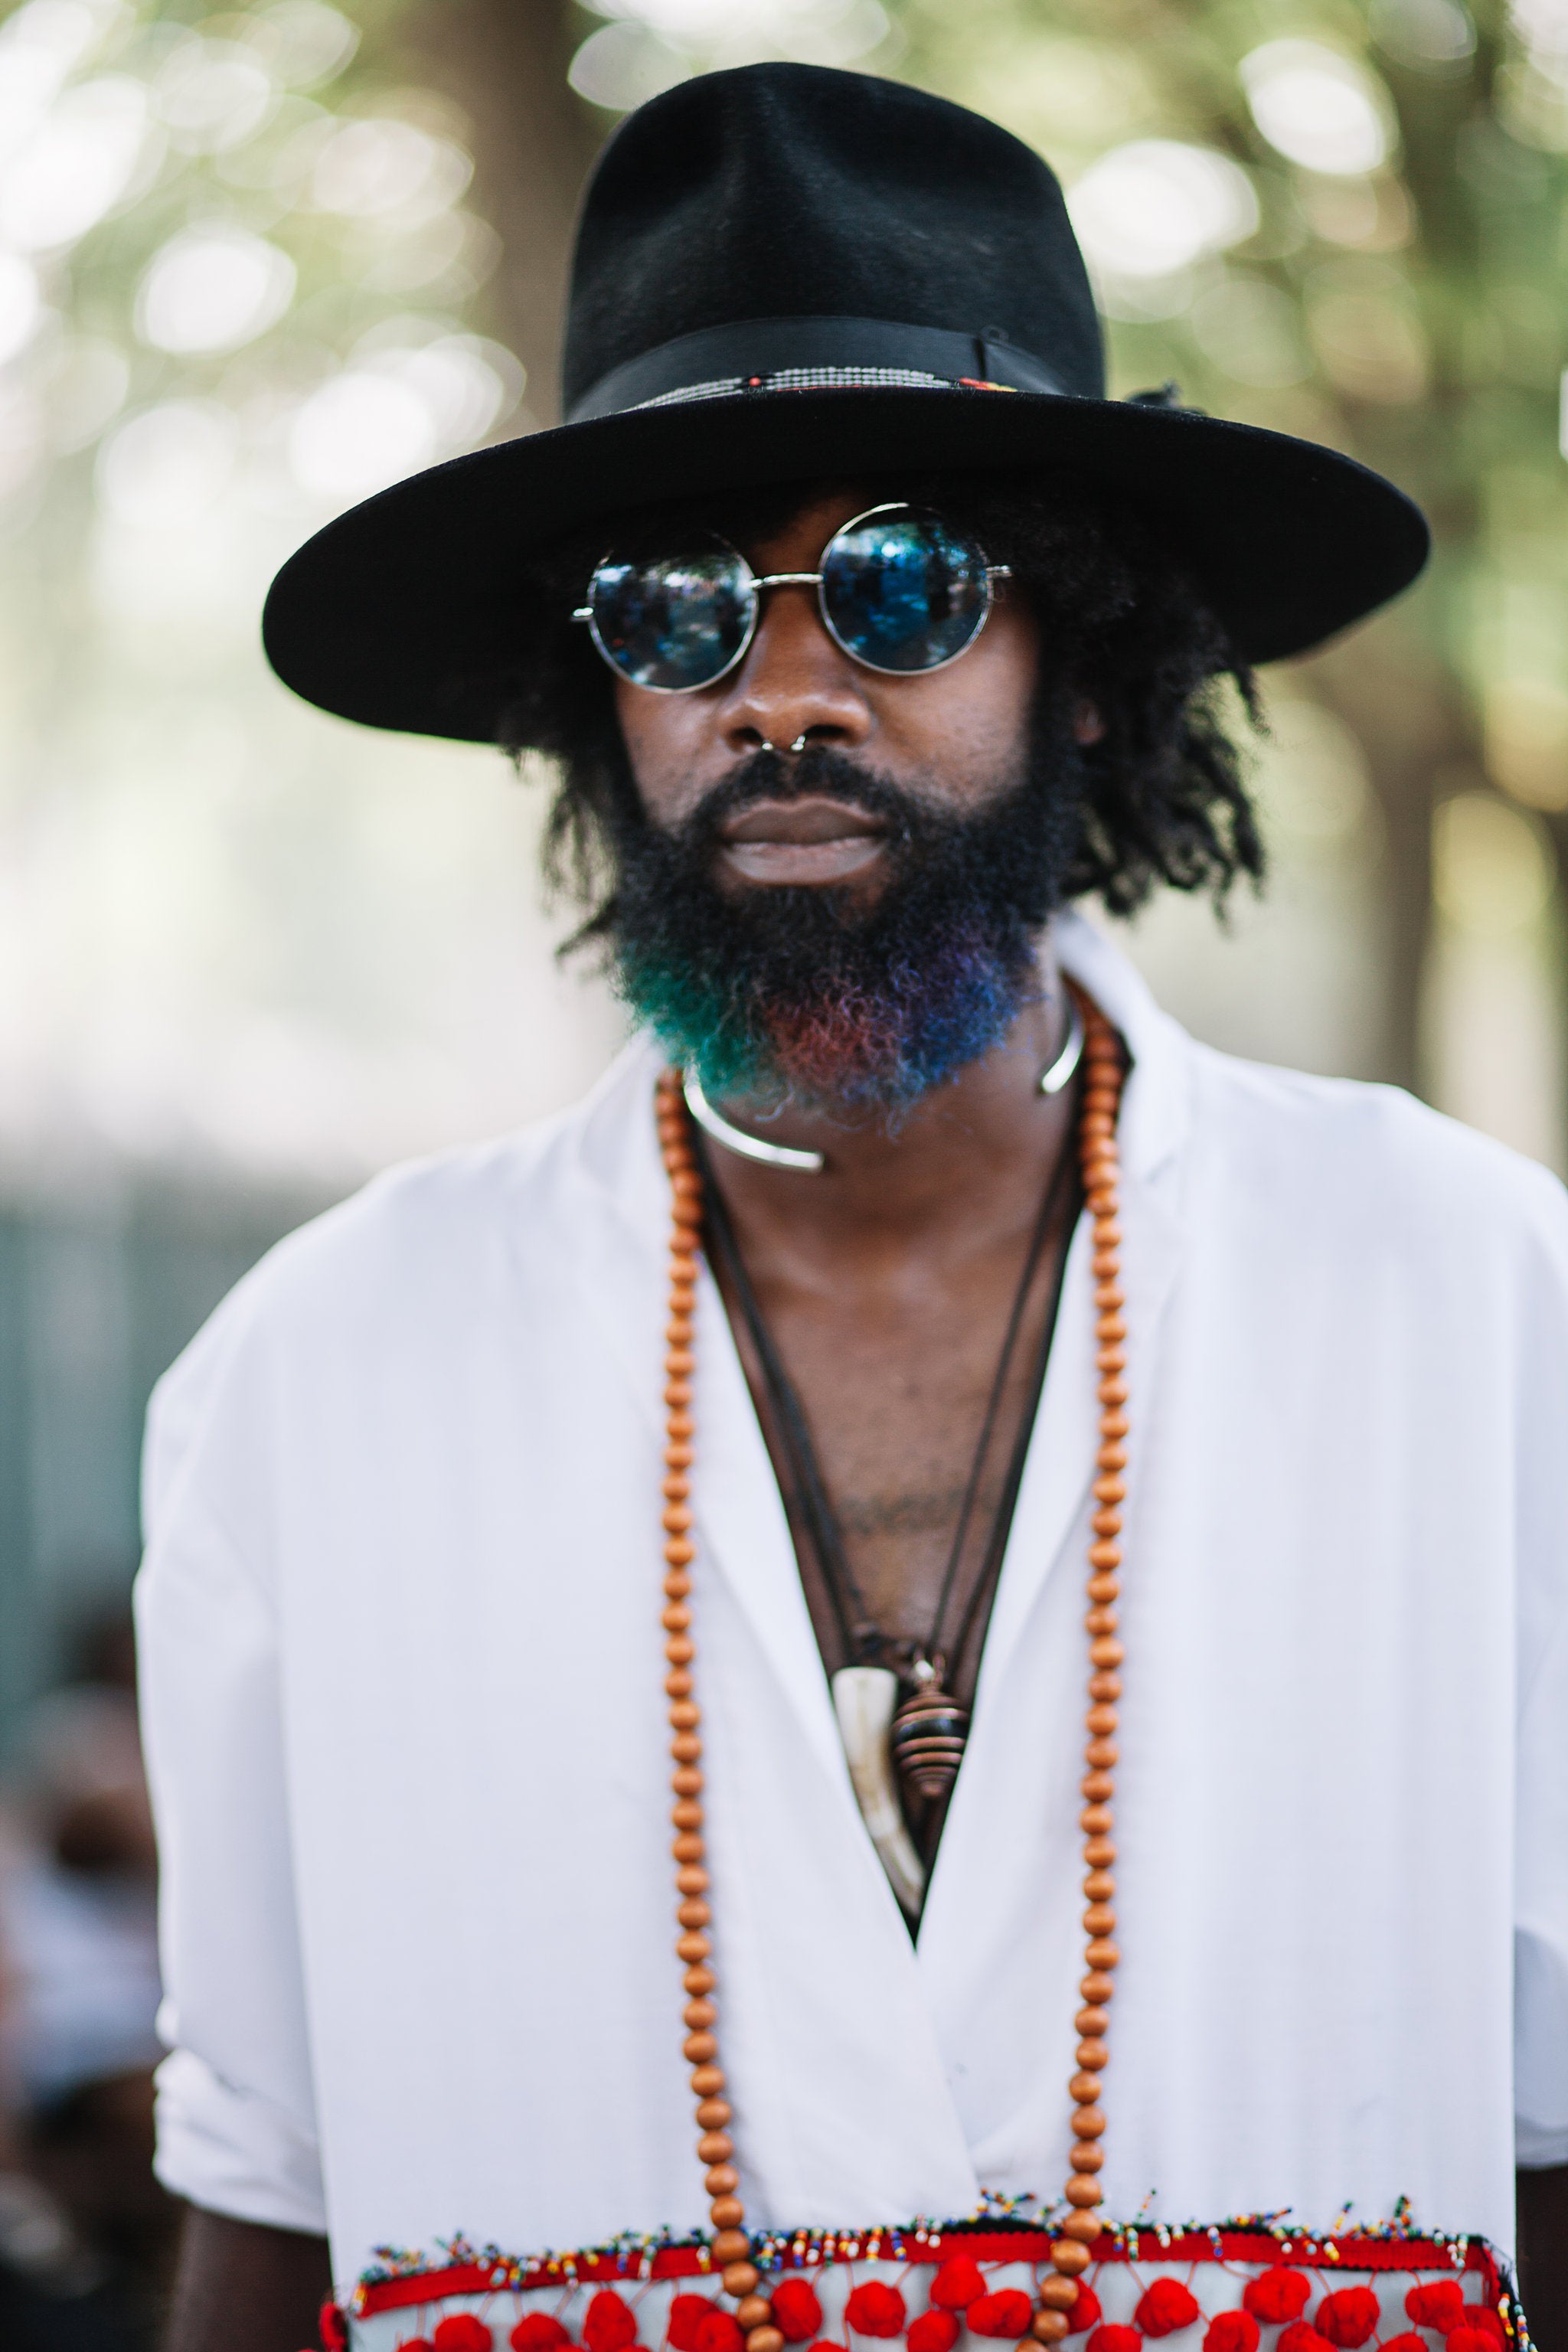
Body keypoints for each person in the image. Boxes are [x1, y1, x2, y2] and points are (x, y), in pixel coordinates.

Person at [137, 62, 1568, 2352]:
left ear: (1085, 673)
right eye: (673, 607)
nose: (780, 686)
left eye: (904, 585)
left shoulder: (1473, 1295)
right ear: (593, 694)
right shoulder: (318, 1376)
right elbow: (261, 2215)